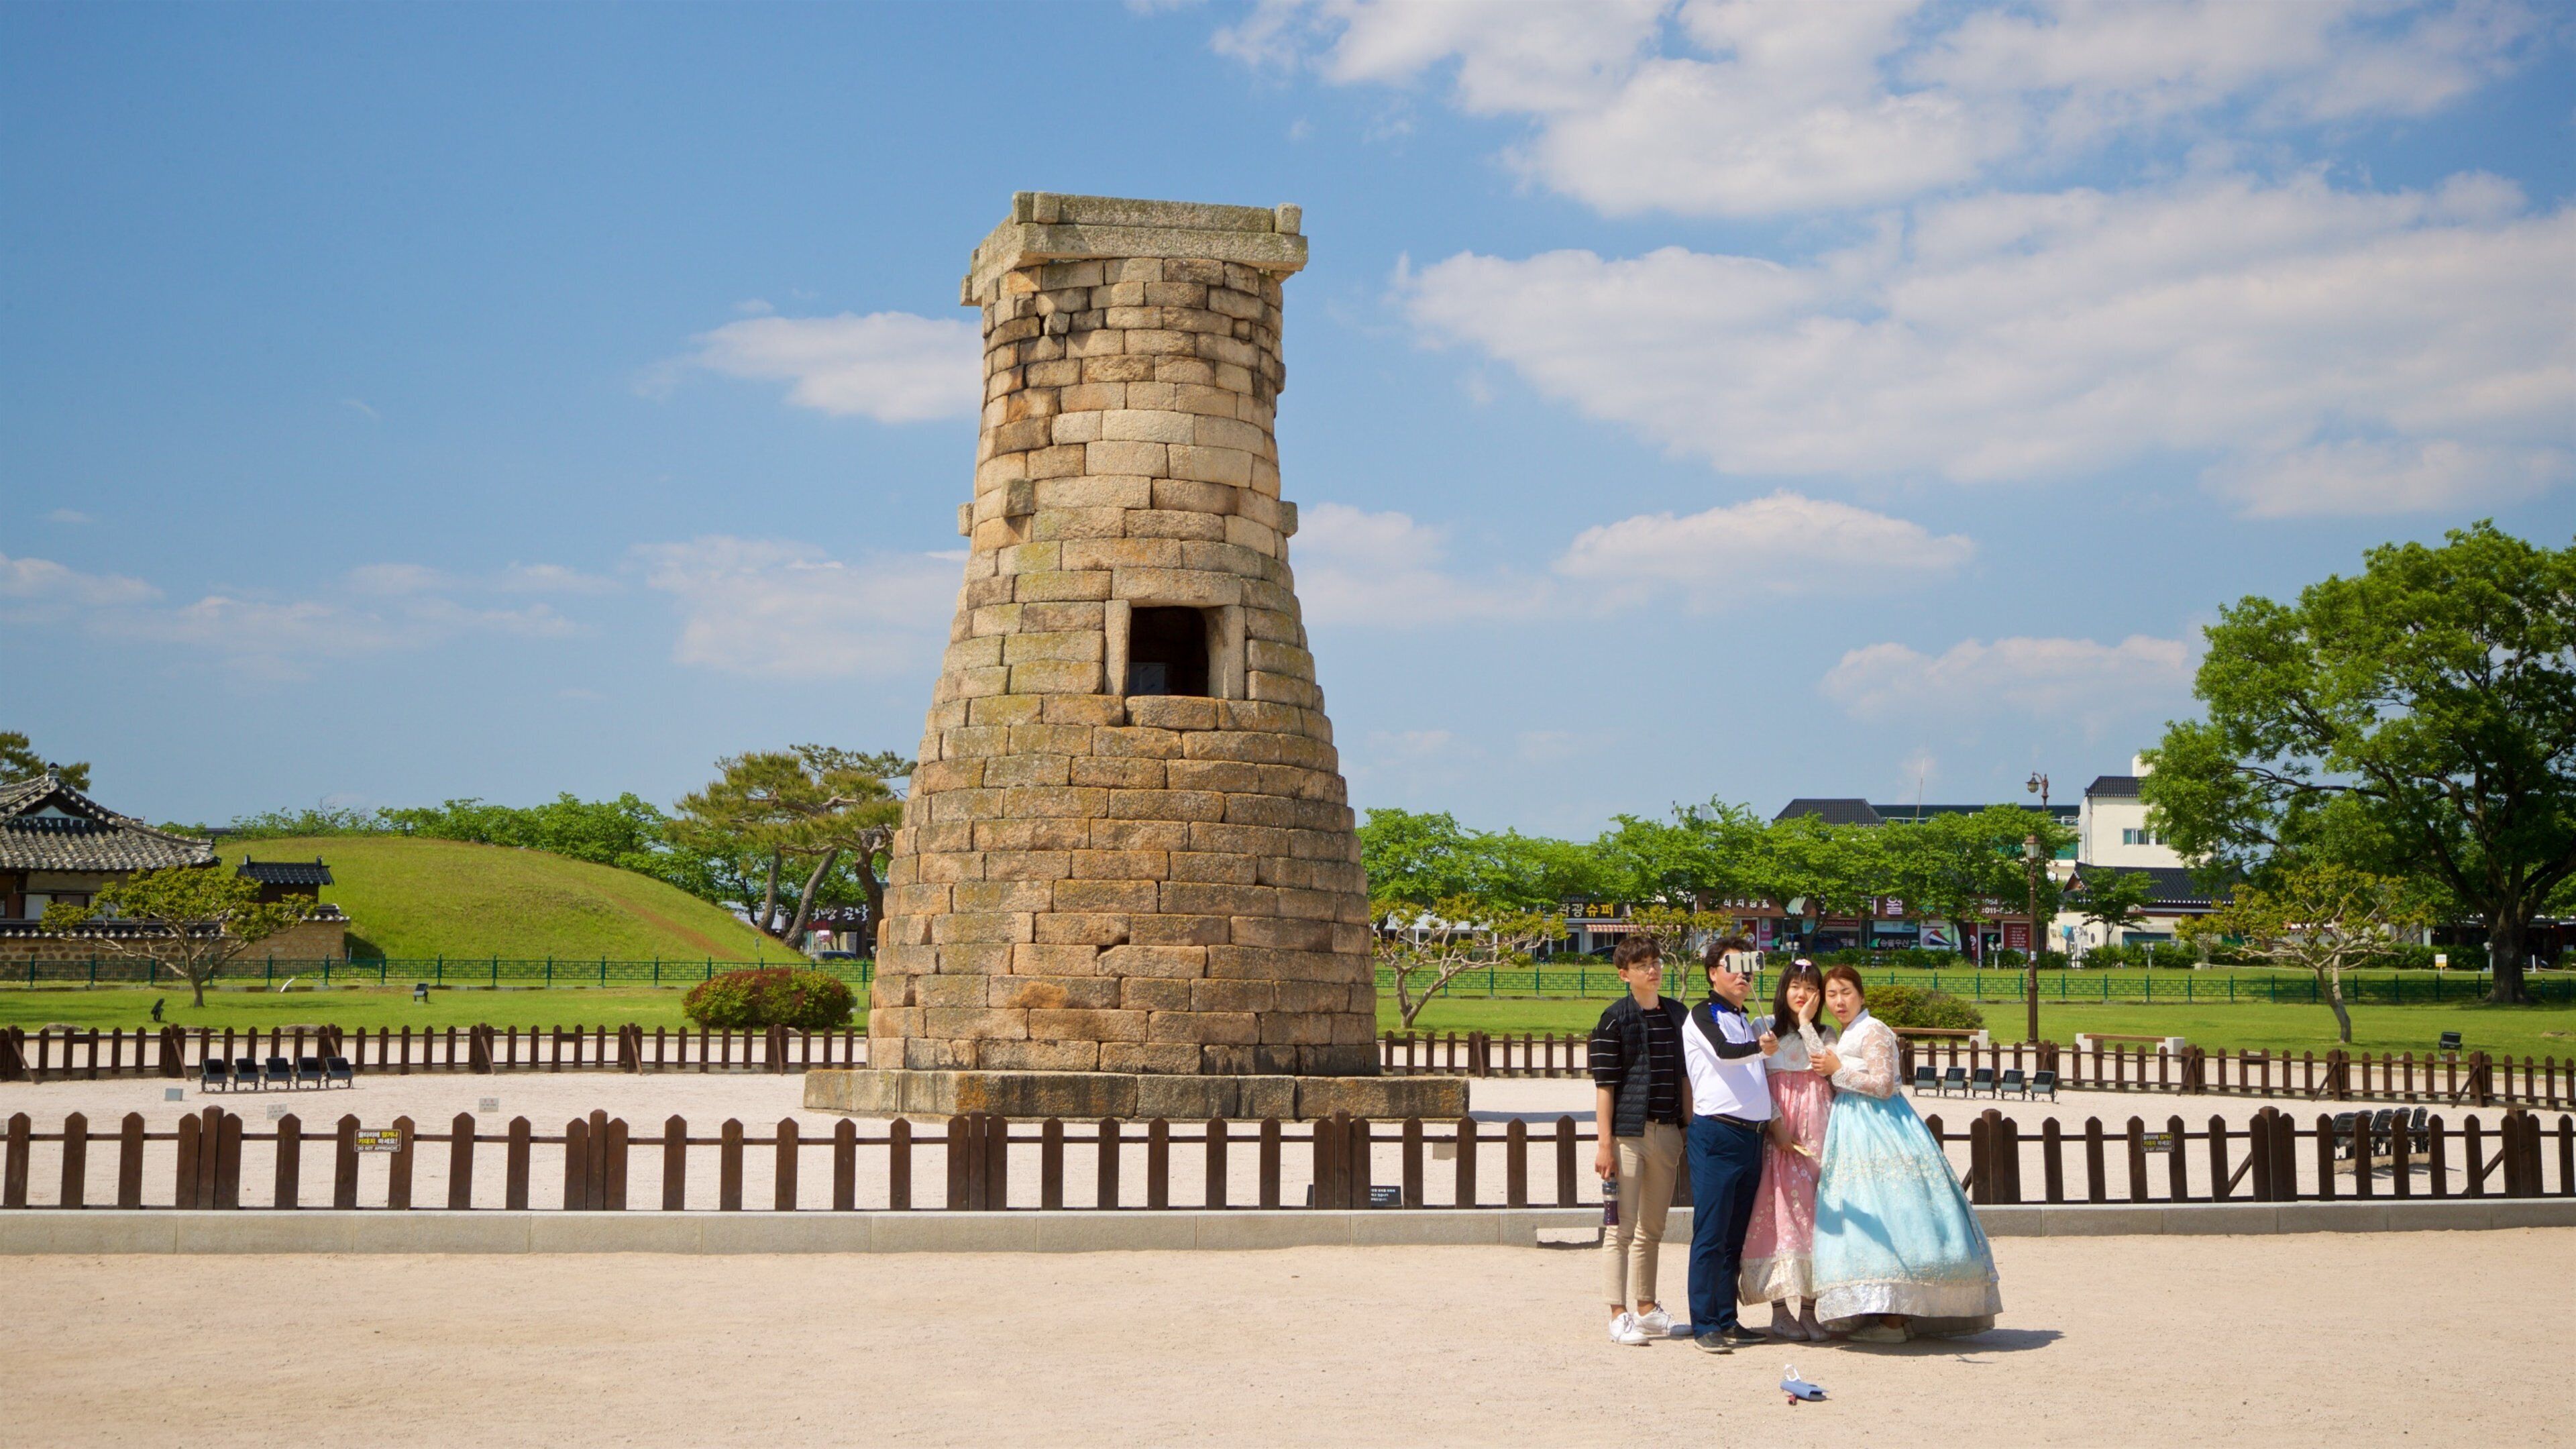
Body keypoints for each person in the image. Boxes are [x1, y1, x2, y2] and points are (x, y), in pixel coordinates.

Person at [1808, 965, 2002, 1343]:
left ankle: (1895, 1320)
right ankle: (1878, 1308)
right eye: (1832, 995)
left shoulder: (1875, 1029)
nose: (1839, 1001)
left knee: (1893, 1212)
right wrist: (1803, 1023)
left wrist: (1839, 1070)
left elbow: (1884, 1085)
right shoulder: (1848, 1032)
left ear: (1861, 995)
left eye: (1845, 992)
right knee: (1866, 1213)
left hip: (1880, 1127)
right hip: (1852, 1128)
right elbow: (1823, 1064)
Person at [1587, 936, 1689, 1346]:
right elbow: (1605, 1086)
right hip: (1627, 1136)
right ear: (1624, 974)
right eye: (1643, 964)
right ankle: (1618, 1313)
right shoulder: (1613, 1019)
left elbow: (1686, 1077)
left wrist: (1688, 1128)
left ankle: (1646, 1308)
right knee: (1620, 1228)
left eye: (1656, 962)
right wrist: (1604, 1143)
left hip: (1667, 1132)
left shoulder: (1678, 1015)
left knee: (1653, 1228)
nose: (1653, 970)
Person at [1680, 937, 1778, 1354]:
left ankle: (1726, 1318)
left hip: (1751, 1137)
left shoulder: (1746, 1017)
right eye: (1731, 965)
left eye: (1747, 966)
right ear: (1712, 974)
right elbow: (1725, 1053)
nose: (1742, 974)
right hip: (1717, 1134)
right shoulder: (1702, 1015)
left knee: (1735, 1235)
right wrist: (1760, 1047)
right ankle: (1704, 1323)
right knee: (1711, 1232)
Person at [1739, 959, 1833, 1340]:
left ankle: (1811, 1308)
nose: (1801, 994)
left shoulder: (1825, 1033)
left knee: (1816, 1214)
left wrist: (1809, 1026)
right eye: (1795, 986)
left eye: (1810, 988)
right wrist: (1775, 1124)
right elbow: (1758, 1079)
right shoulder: (1764, 1029)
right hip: (1779, 1128)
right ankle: (1780, 1308)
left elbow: (1825, 1068)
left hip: (1818, 1127)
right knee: (1776, 1208)